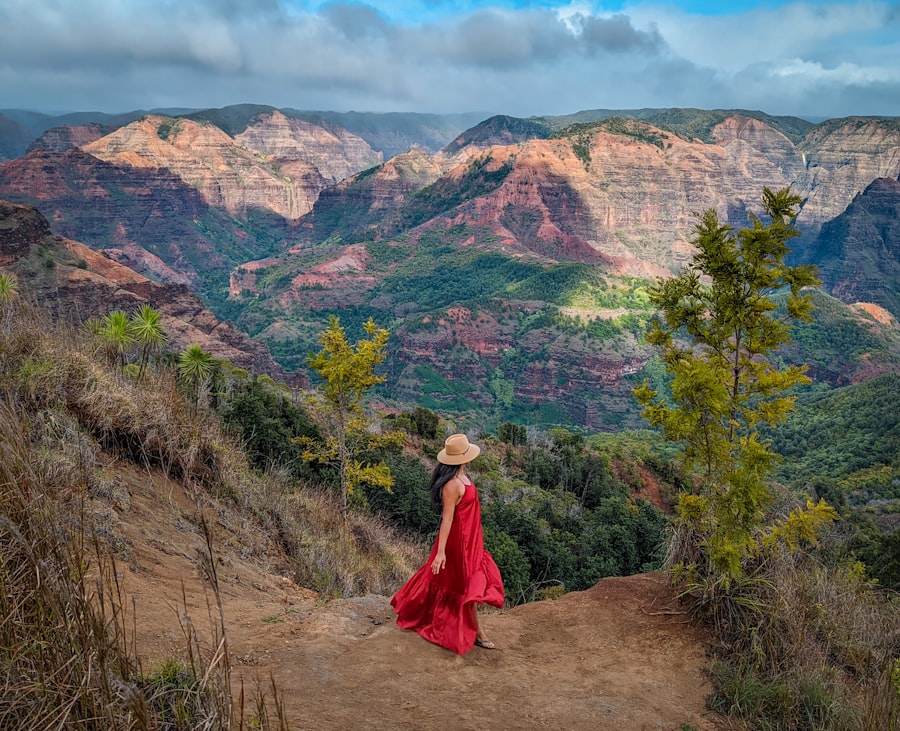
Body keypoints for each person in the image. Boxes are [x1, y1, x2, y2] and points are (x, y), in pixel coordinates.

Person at [390, 433, 504, 654]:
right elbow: (447, 519)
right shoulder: (451, 485)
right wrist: (441, 552)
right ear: (463, 458)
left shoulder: (462, 477)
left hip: (472, 539)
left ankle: (462, 626)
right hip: (459, 544)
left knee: (460, 582)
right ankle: (478, 633)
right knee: (465, 584)